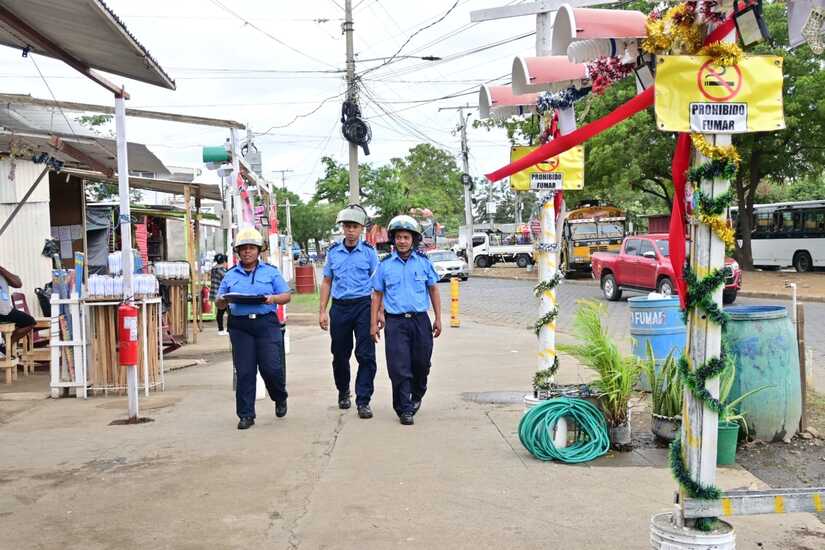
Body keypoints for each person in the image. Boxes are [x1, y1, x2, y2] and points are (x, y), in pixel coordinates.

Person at [216, 227, 291, 430]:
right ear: (238, 251)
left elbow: (286, 296)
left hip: (266, 323)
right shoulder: (230, 275)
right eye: (243, 248)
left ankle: (279, 396)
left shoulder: (271, 272)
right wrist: (222, 301)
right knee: (245, 371)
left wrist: (272, 299)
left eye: (251, 248)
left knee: (271, 368)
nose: (247, 251)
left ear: (259, 250)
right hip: (240, 326)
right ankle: (246, 414)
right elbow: (219, 301)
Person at [370, 215, 442, 426]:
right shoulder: (385, 265)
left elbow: (433, 290)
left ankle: (417, 394)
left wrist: (438, 318)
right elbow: (377, 295)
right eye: (398, 237)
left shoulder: (423, 262)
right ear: (393, 239)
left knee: (421, 364)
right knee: (399, 367)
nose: (402, 241)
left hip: (420, 321)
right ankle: (404, 408)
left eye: (406, 237)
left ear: (413, 240)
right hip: (395, 323)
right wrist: (373, 323)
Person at [319, 205, 379, 419]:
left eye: (355, 227)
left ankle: (363, 400)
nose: (351, 231)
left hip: (363, 306)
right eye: (347, 226)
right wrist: (322, 311)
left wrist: (379, 312)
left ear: (361, 228)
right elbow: (327, 281)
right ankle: (343, 391)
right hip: (340, 307)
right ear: (343, 228)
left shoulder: (370, 253)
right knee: (340, 355)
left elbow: (378, 285)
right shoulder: (333, 252)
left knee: (366, 355)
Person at [0, 265, 36, 354]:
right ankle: (6, 346)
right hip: (3, 313)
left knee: (30, 322)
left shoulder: (2, 274)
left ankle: (7, 345)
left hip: (6, 311)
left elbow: (18, 284)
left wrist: (2, 270)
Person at [210, 253, 229, 335]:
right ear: (224, 262)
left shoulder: (213, 269)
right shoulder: (222, 271)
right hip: (222, 294)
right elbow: (228, 280)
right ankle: (225, 330)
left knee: (220, 312)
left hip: (216, 293)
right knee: (228, 312)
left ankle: (221, 330)